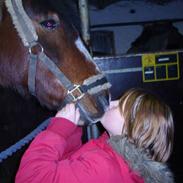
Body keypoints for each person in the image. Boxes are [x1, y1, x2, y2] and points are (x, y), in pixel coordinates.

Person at [15, 88, 174, 183]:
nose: (110, 103)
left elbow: (30, 178)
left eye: (119, 106)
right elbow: (68, 168)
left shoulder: (103, 166)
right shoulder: (112, 153)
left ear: (135, 129)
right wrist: (71, 130)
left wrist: (57, 131)